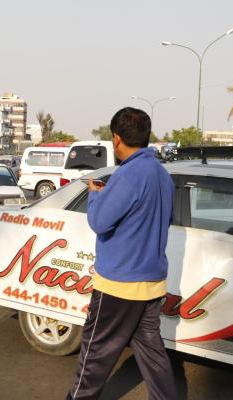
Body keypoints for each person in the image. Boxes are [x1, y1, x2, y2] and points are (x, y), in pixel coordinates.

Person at [67, 107, 176, 400]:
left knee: (95, 351)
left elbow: (99, 221)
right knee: (152, 352)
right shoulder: (162, 175)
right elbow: (162, 219)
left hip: (119, 284)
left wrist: (94, 194)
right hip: (152, 283)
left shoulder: (128, 174)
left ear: (116, 138)